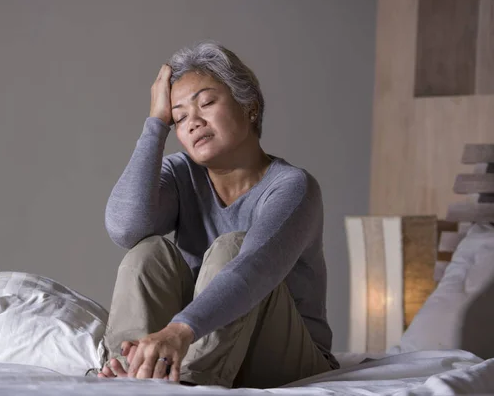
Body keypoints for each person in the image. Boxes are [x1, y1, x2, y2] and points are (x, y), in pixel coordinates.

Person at [97, 40, 339, 388]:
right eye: (179, 117)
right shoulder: (181, 175)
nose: (193, 122)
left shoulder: (292, 187)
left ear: (250, 107)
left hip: (288, 357)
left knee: (233, 248)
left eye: (207, 103)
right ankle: (131, 368)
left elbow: (253, 269)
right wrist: (155, 123)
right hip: (201, 345)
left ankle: (190, 383)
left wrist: (180, 330)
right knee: (148, 252)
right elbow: (124, 229)